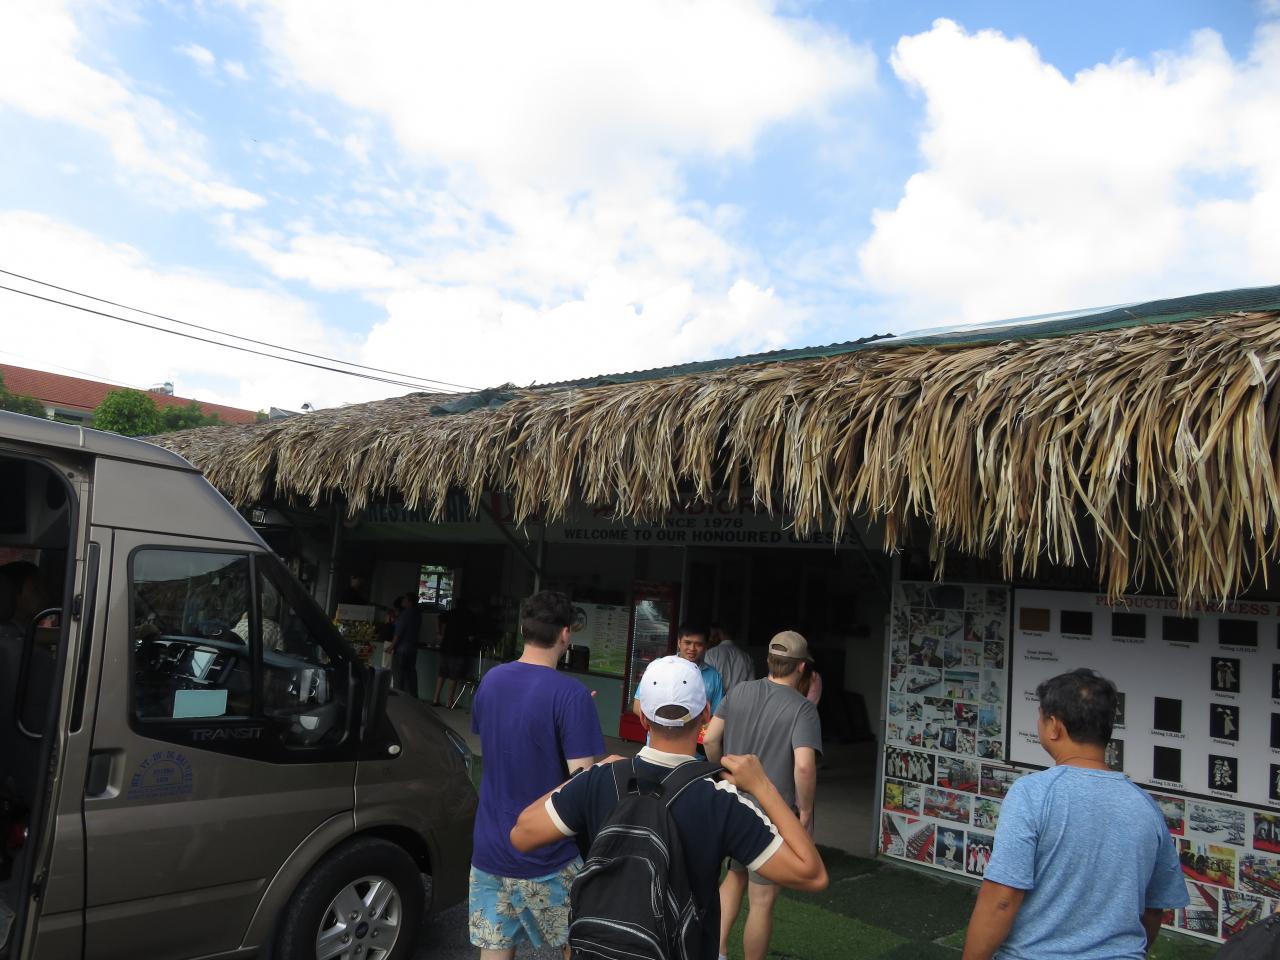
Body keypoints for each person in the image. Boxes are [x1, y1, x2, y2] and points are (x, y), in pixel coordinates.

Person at [509, 654, 827, 960]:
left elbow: (521, 834)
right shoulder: (721, 800)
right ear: (705, 714)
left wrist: (591, 772)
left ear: (643, 718)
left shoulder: (602, 780)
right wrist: (763, 787)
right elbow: (812, 875)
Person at [961, 668, 1188, 960]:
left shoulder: (1032, 793)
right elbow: (1154, 910)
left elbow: (1001, 901)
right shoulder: (1146, 805)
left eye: (1041, 717)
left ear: (1054, 726)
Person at [469, 590, 604, 960]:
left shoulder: (492, 680)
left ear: (523, 629)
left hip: (489, 849)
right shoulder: (571, 695)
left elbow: (505, 736)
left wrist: (571, 717)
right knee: (579, 944)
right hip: (549, 854)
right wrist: (576, 717)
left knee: (494, 948)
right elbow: (581, 786)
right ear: (565, 633)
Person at [703, 630, 822, 960]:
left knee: (734, 876)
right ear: (801, 666)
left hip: (734, 805)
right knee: (762, 900)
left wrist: (722, 774)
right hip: (773, 814)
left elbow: (710, 738)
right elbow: (804, 767)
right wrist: (805, 813)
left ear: (769, 660)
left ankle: (717, 952)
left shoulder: (740, 690)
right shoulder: (803, 708)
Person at [434, 599, 477, 707]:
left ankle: (435, 699)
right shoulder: (470, 616)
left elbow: (439, 618)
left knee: (442, 673)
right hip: (459, 649)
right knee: (453, 675)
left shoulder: (451, 612)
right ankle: (449, 702)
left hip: (446, 647)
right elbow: (471, 637)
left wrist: (439, 633)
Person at [705, 622, 754, 694]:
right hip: (740, 699)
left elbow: (707, 684)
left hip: (718, 700)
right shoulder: (747, 658)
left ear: (720, 632)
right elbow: (751, 686)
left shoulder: (711, 654)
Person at [387, 592, 421, 697]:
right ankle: (412, 697)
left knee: (398, 676)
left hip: (401, 649)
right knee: (410, 675)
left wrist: (391, 646)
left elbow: (399, 632)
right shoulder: (418, 614)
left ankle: (398, 697)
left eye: (405, 599)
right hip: (413, 648)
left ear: (409, 602)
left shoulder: (405, 614)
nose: (403, 601)